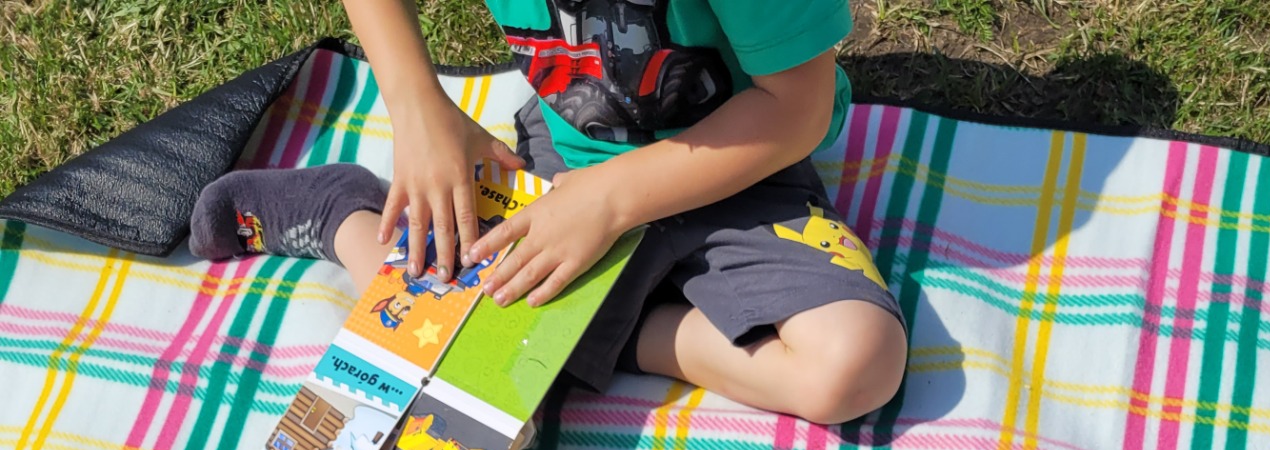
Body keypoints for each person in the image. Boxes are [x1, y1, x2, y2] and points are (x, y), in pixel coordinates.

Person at [186, 0, 909, 426]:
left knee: (855, 364)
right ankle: (345, 215)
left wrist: (610, 202)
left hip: (738, 163)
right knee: (461, 379)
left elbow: (798, 108)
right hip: (573, 154)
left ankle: (588, 332)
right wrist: (416, 106)